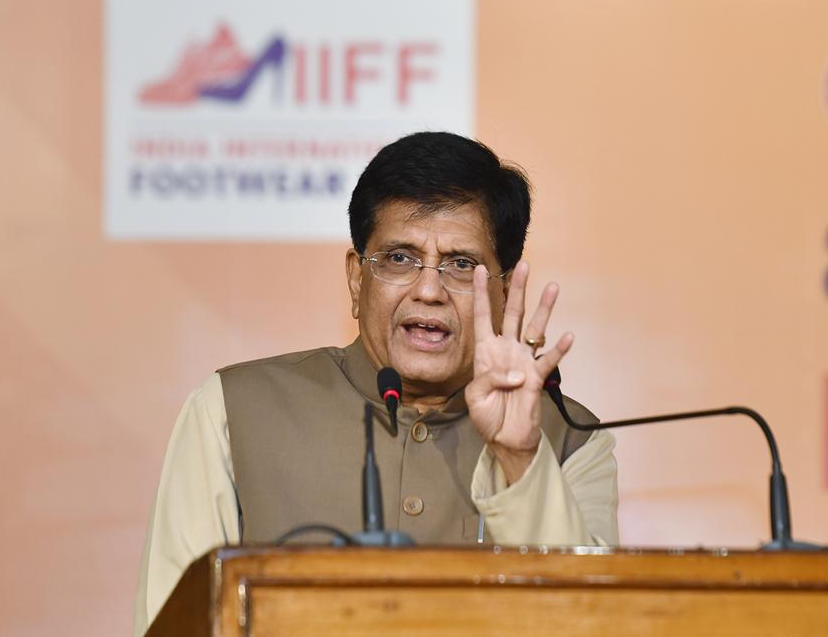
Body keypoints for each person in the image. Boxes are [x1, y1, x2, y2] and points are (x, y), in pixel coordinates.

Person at [132, 131, 619, 635]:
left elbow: (597, 624)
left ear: (504, 290)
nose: (428, 290)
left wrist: (520, 460)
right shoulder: (232, 411)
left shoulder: (572, 439)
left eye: (460, 264)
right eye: (399, 258)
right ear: (355, 278)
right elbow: (172, 622)